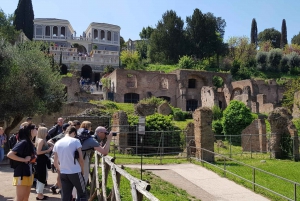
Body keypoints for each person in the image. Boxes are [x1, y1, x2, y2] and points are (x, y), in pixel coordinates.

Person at [53, 126, 86, 201]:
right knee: (82, 194)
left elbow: (55, 162)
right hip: (75, 171)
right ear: (74, 133)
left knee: (66, 195)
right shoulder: (76, 141)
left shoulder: (57, 143)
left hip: (64, 172)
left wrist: (61, 169)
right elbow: (81, 159)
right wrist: (82, 170)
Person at [7, 124, 37, 201]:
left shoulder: (29, 142)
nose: (37, 130)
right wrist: (24, 160)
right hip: (21, 173)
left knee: (25, 198)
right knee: (20, 198)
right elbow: (10, 154)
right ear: (30, 131)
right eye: (35, 128)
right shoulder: (24, 142)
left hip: (29, 172)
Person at [47, 123, 70, 194]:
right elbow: (49, 141)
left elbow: (49, 141)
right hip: (61, 157)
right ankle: (61, 189)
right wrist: (56, 146)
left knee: (61, 174)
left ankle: (56, 186)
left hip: (62, 157)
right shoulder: (62, 136)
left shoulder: (62, 136)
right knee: (60, 174)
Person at [35, 126, 53, 200]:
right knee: (42, 177)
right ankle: (39, 195)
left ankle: (40, 193)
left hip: (41, 160)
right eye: (46, 131)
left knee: (42, 177)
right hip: (41, 160)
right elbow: (38, 152)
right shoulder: (41, 140)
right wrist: (47, 150)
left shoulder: (40, 139)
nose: (47, 133)